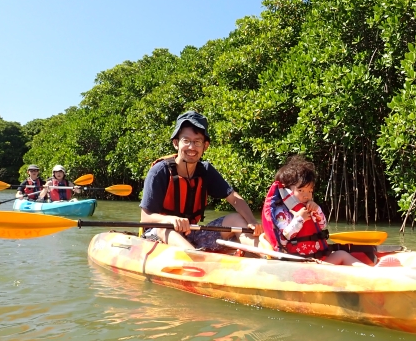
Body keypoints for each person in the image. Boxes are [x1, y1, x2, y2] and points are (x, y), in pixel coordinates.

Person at [140, 110, 263, 250]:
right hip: (158, 234)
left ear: (205, 146)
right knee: (165, 228)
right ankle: (197, 260)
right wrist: (170, 219)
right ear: (176, 143)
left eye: (197, 142)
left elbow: (234, 198)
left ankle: (267, 257)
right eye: (186, 141)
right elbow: (145, 218)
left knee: (236, 219)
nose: (192, 147)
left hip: (191, 232)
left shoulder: (205, 170)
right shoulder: (159, 172)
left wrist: (252, 221)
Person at [261, 156, 369, 266]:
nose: (306, 195)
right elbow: (284, 239)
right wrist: (299, 219)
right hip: (297, 264)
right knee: (341, 255)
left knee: (341, 254)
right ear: (286, 191)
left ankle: (371, 274)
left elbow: (322, 225)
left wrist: (317, 210)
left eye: (310, 191)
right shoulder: (281, 212)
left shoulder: (307, 207)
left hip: (316, 261)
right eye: (301, 190)